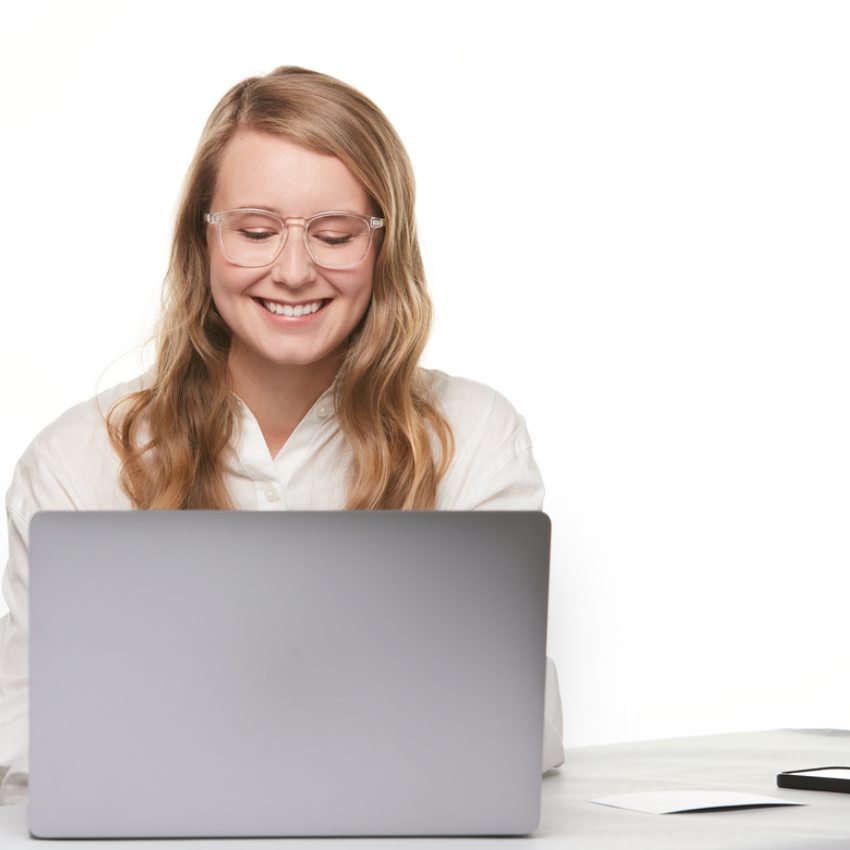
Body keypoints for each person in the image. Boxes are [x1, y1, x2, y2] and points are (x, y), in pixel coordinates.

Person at [0, 66, 564, 805]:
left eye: (334, 235)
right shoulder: (80, 459)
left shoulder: (472, 433)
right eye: (257, 232)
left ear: (383, 249)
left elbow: (523, 726)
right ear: (202, 243)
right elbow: (23, 722)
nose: (293, 271)